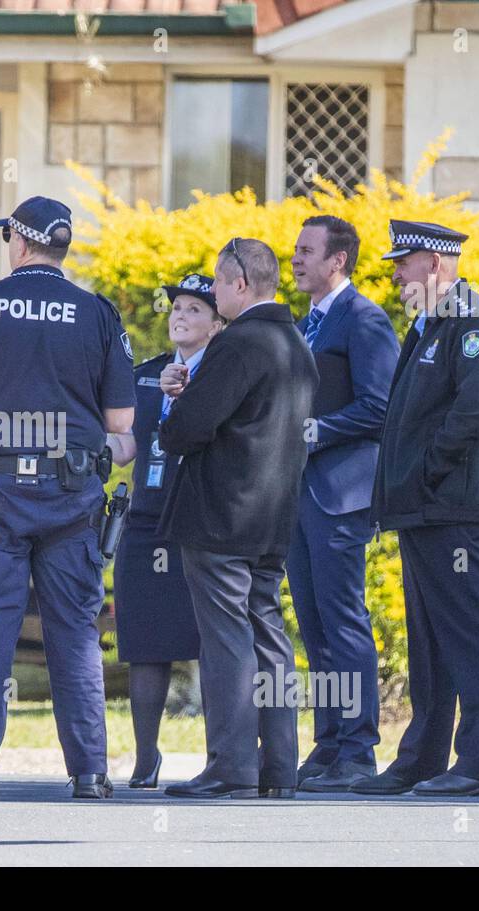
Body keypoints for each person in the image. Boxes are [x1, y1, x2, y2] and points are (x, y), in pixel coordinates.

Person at [0, 196, 135, 799]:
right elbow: (121, 421)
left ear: (19, 241)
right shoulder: (98, 313)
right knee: (74, 631)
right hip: (71, 494)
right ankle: (90, 771)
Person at [353, 220, 479, 798]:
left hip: (450, 507)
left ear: (437, 265)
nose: (395, 273)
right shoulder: (430, 324)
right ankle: (421, 758)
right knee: (428, 639)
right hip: (423, 508)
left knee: (468, 634)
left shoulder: (474, 319)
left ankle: (476, 765)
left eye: (404, 262)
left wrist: (425, 471)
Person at [158, 238, 318, 799]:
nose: (213, 292)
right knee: (268, 635)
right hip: (274, 517)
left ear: (241, 284)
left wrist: (177, 402)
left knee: (226, 640)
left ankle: (231, 765)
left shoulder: (240, 342)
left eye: (219, 283)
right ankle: (278, 767)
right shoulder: (296, 342)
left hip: (221, 515)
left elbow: (185, 430)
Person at [286, 216, 400, 792]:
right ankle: (328, 744)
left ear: (338, 261)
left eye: (307, 251)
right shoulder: (305, 322)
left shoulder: (365, 318)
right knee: (314, 625)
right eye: (295, 249)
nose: (296, 258)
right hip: (300, 497)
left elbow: (381, 407)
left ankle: (357, 750)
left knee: (343, 621)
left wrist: (312, 432)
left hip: (341, 496)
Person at [110, 274, 223, 789]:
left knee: (215, 641)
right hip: (146, 522)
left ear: (218, 324)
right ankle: (145, 755)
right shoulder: (145, 376)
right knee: (145, 643)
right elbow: (125, 447)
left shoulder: (227, 375)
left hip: (204, 522)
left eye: (195, 309)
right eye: (177, 307)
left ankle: (221, 757)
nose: (180, 315)